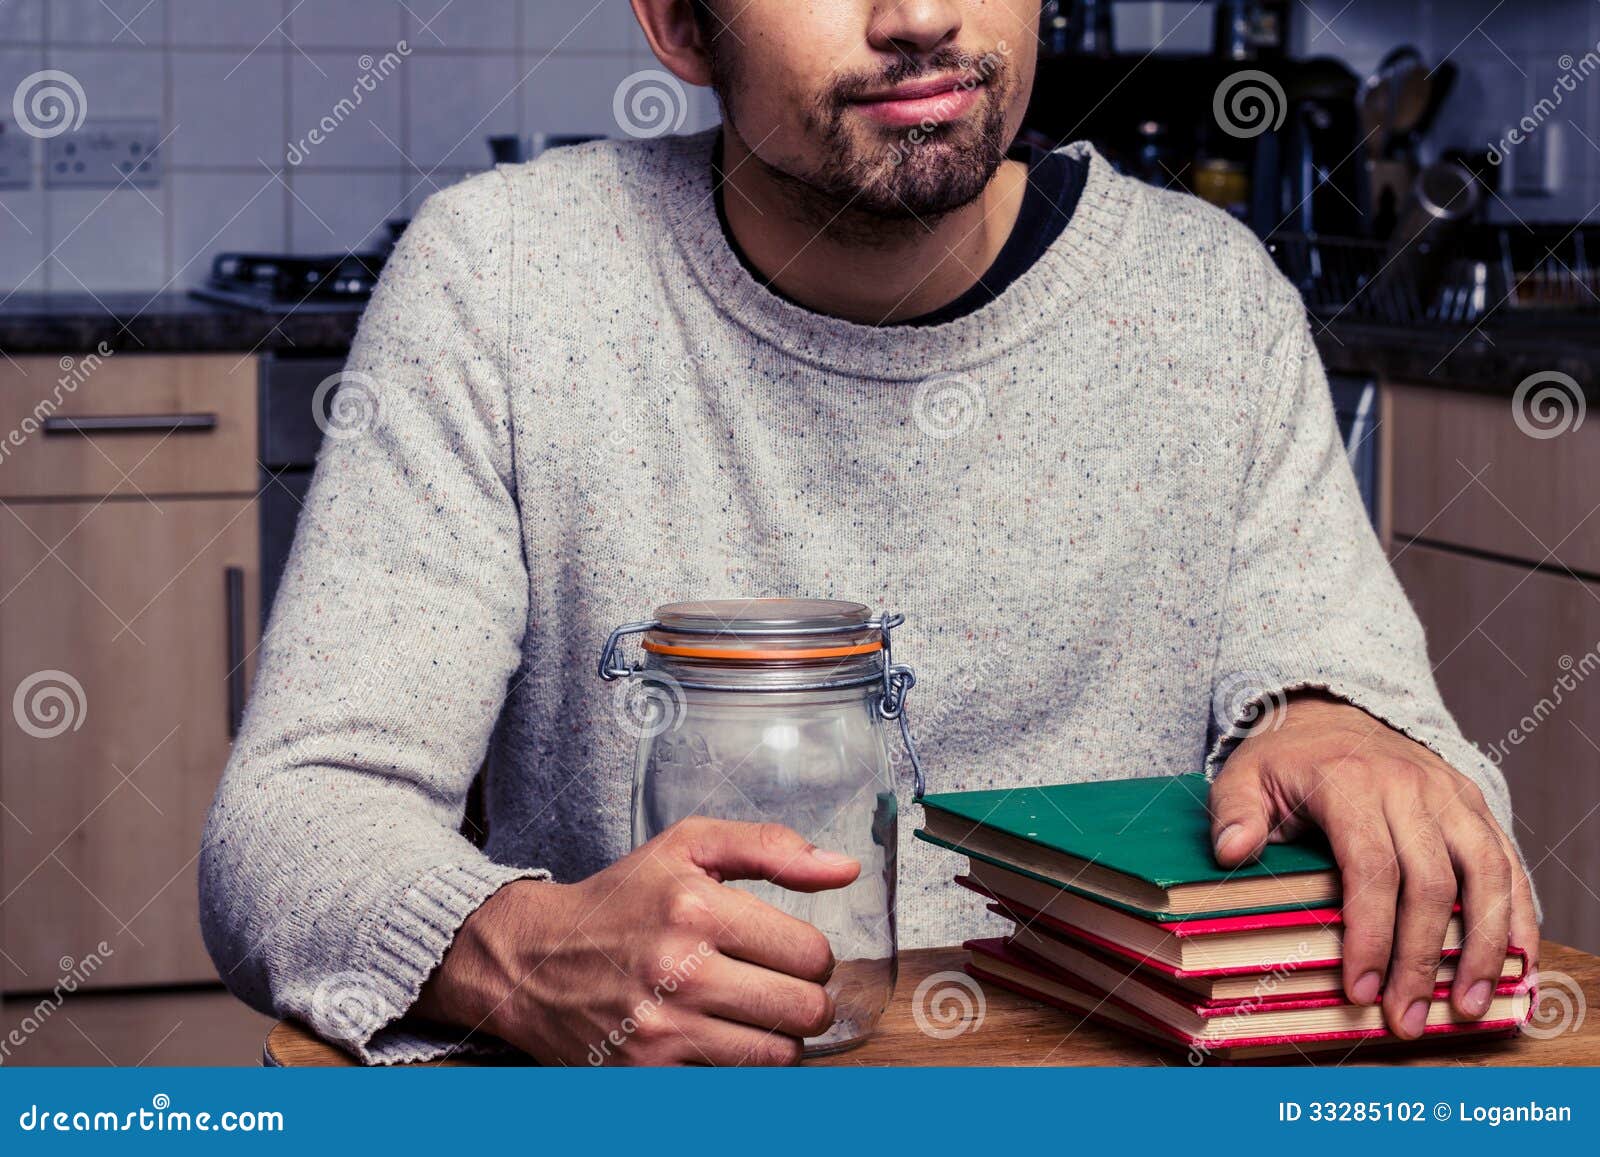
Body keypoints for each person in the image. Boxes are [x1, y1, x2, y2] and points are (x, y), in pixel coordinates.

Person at [200, 0, 1538, 1066]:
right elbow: (293, 825)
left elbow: (1412, 766)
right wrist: (521, 946)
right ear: (676, 23)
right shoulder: (504, 282)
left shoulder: (1208, 299)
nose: (918, 16)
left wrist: (1339, 724)